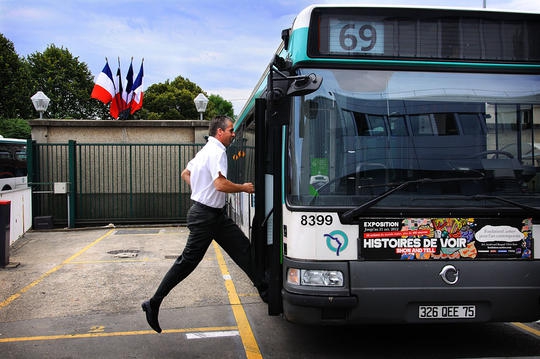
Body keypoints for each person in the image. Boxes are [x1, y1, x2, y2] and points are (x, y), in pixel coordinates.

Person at [142, 115, 264, 333]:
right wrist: (244, 187)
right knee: (187, 262)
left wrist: (199, 188)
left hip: (215, 216)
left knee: (244, 249)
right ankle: (153, 302)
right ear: (220, 132)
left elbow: (185, 173)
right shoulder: (217, 152)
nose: (233, 133)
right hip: (205, 216)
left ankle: (266, 291)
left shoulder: (204, 152)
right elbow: (220, 184)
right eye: (230, 130)